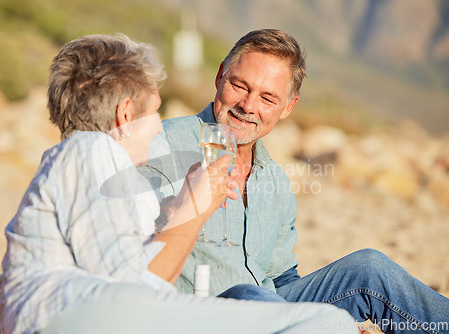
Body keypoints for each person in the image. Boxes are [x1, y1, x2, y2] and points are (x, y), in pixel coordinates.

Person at [0, 33, 358, 334]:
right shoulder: (89, 151)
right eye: (154, 111)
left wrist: (180, 208)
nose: (158, 126)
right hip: (63, 313)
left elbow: (126, 275)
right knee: (328, 323)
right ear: (126, 114)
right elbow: (133, 289)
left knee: (329, 317)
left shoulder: (95, 163)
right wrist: (194, 209)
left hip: (83, 312)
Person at [141, 29, 449, 334]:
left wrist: (323, 319)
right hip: (203, 315)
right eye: (239, 85)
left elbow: (282, 278)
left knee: (368, 269)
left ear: (288, 107)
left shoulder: (274, 179)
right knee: (248, 295)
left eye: (268, 98)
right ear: (220, 75)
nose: (248, 106)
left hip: (268, 311)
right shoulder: (160, 146)